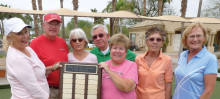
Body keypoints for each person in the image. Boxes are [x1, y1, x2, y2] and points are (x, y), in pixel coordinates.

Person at [3, 17, 59, 99]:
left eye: (26, 32)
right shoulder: (17, 58)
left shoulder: (28, 49)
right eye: (19, 33)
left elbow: (36, 72)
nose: (25, 36)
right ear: (9, 37)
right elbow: (35, 90)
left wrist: (51, 69)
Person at [173, 23, 218, 99]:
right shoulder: (182, 55)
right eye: (191, 36)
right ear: (186, 39)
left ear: (204, 38)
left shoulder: (210, 59)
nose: (195, 39)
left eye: (198, 36)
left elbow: (209, 90)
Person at [30, 13, 69, 99]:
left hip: (65, 89)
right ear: (44, 25)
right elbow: (30, 69)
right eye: (50, 23)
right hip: (47, 90)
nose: (54, 27)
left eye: (57, 24)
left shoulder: (62, 42)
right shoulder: (35, 43)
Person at [135, 26, 173, 99]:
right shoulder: (138, 59)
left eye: (158, 39)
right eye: (151, 39)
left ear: (162, 43)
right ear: (146, 42)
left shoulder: (167, 60)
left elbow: (168, 85)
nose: (155, 42)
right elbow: (135, 82)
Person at [99, 33, 138, 99]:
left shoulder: (132, 65)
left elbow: (127, 87)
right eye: (114, 48)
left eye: (121, 48)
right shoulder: (102, 65)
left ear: (126, 51)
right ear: (110, 50)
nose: (117, 51)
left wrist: (109, 71)